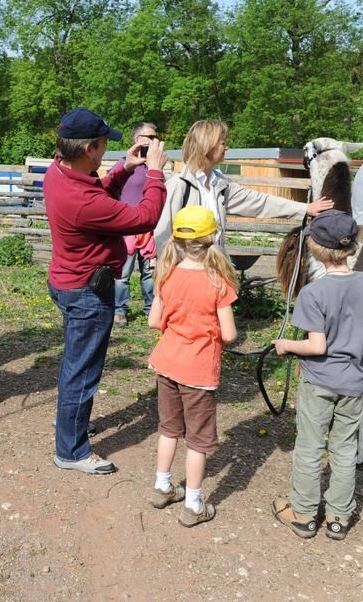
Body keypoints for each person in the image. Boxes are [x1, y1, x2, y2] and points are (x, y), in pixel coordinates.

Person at [45, 107, 167, 475]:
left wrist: (123, 169)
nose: (105, 152)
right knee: (82, 372)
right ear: (88, 150)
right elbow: (145, 217)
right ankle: (71, 451)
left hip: (68, 281)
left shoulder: (59, 171)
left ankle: (71, 426)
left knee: (74, 365)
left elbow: (97, 189)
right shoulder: (82, 201)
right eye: (102, 146)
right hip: (86, 293)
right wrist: (155, 173)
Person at [270, 210, 363, 541]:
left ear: (315, 249)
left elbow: (316, 346)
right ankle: (338, 517)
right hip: (353, 382)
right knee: (344, 449)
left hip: (319, 382)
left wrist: (286, 345)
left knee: (309, 446)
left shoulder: (313, 293)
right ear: (352, 248)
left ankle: (304, 515)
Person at [147, 205, 237, 527]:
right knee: (197, 440)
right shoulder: (218, 281)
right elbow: (228, 333)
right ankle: (194, 504)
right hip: (198, 371)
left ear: (178, 240)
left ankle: (162, 486)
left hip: (167, 364)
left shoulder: (166, 274)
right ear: (212, 237)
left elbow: (154, 321)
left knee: (168, 429)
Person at [154, 120, 333, 252]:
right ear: (207, 145)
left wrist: (305, 208)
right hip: (185, 277)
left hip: (214, 272)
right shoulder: (179, 186)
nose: (227, 148)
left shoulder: (222, 185)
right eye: (223, 143)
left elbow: (260, 202)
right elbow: (162, 236)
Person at [112, 122, 160, 326]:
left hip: (149, 230)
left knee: (149, 274)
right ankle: (120, 310)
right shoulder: (124, 163)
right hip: (128, 229)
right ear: (137, 139)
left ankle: (151, 309)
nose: (153, 140)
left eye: (155, 137)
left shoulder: (155, 166)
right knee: (123, 274)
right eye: (149, 136)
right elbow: (110, 190)